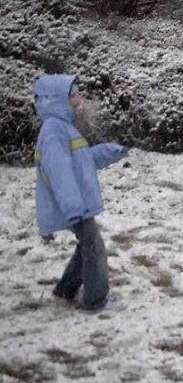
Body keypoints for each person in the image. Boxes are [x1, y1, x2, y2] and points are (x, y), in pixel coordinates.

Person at [33, 75, 128, 312]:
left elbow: (81, 160)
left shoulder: (63, 127)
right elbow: (59, 171)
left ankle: (65, 289)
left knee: (86, 244)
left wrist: (109, 152)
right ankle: (95, 301)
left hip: (74, 202)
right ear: (57, 100)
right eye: (73, 95)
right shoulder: (54, 130)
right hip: (72, 203)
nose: (78, 99)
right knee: (94, 247)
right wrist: (73, 206)